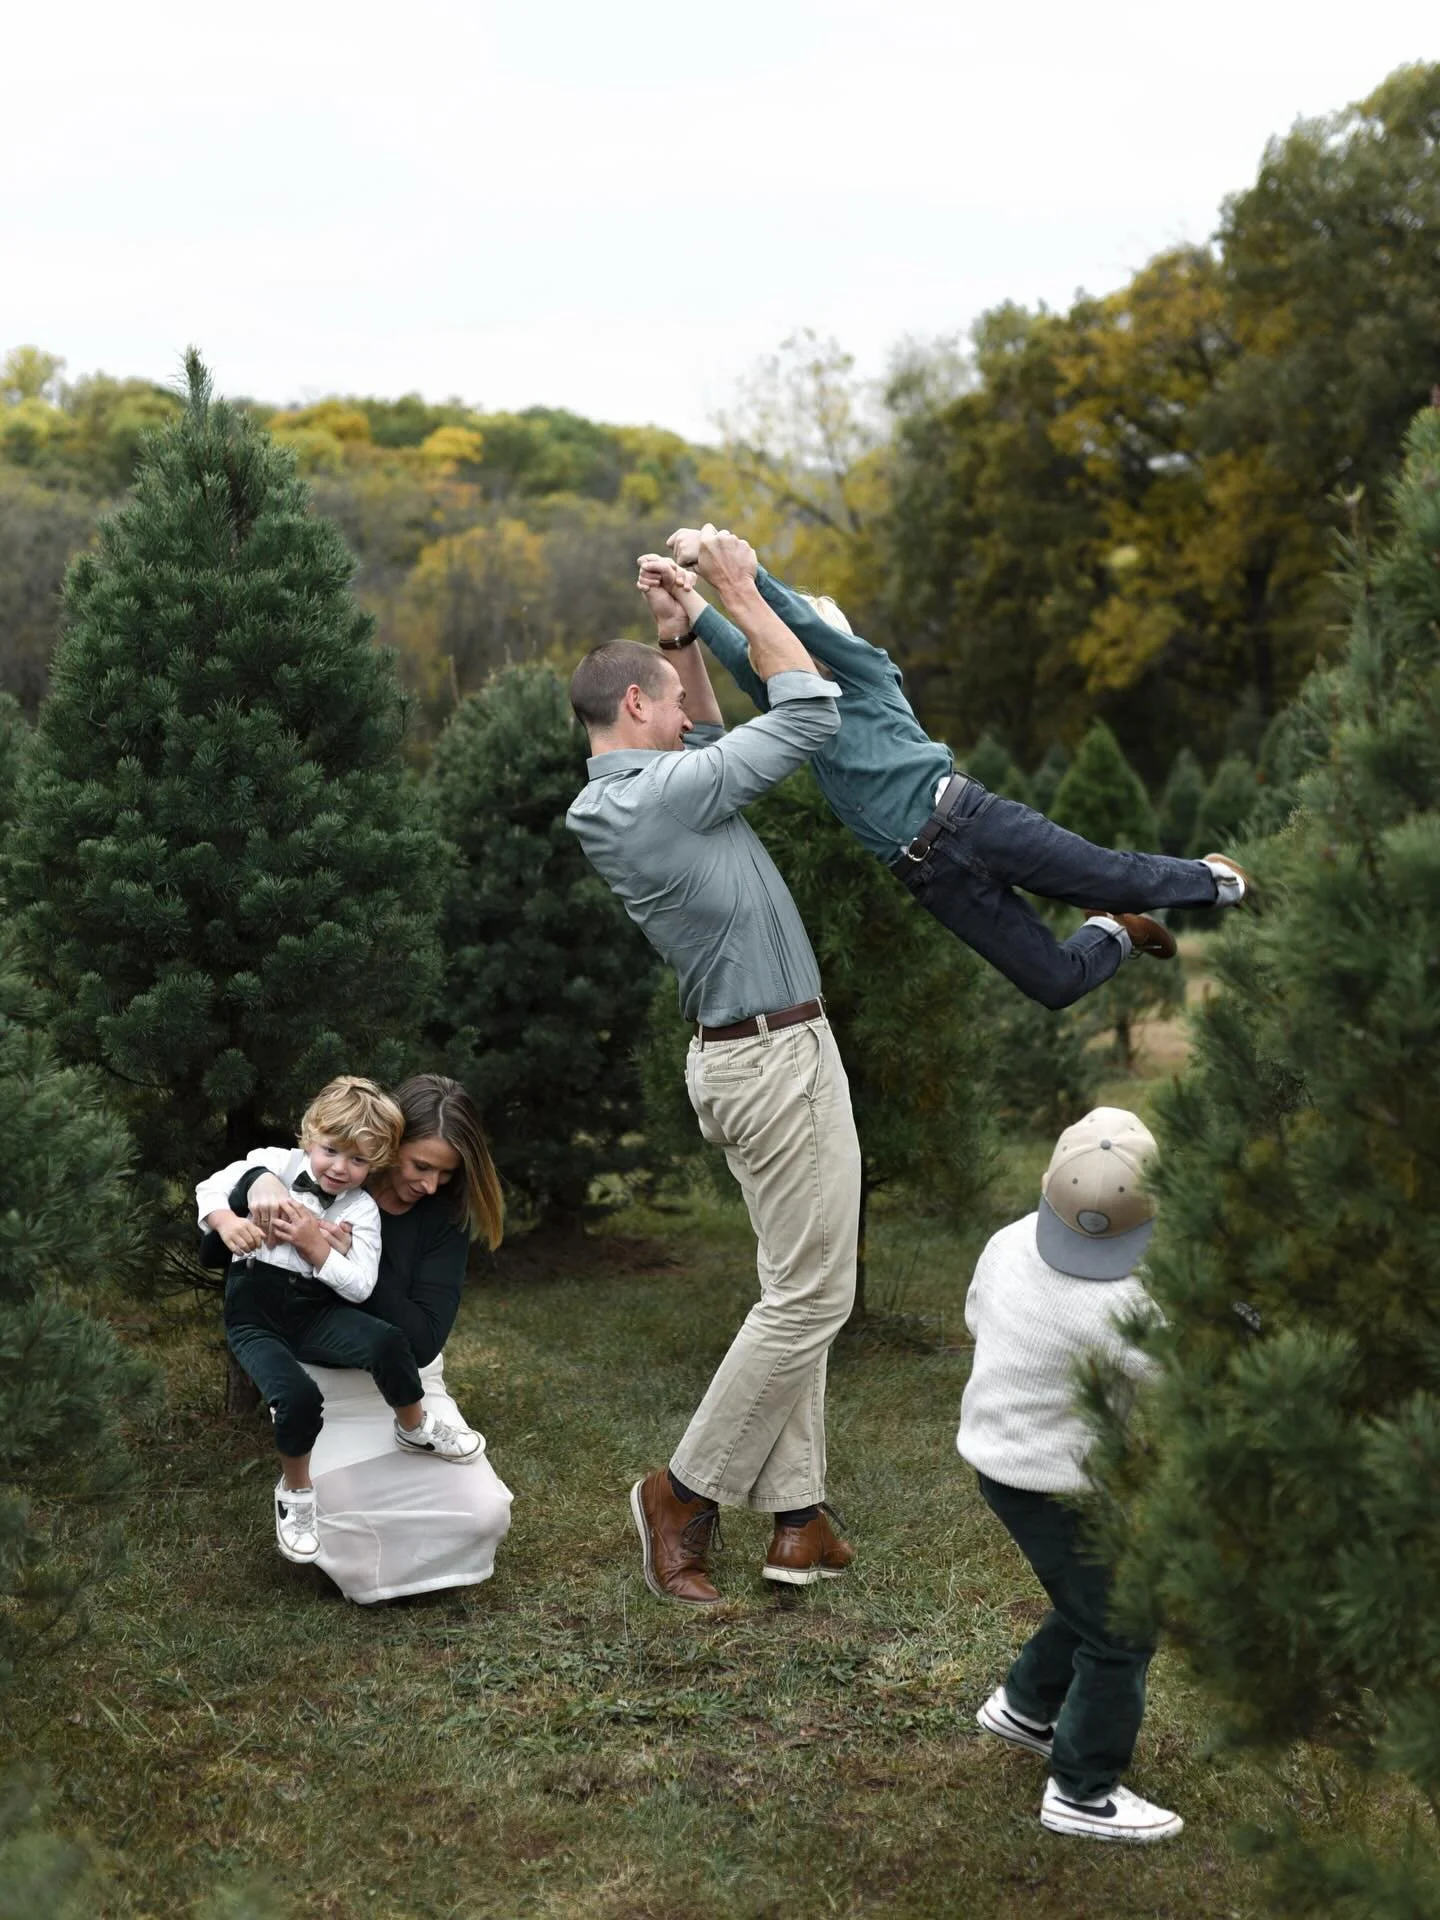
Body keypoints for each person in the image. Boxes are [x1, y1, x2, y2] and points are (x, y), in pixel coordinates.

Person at [566, 524, 862, 1605]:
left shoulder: (637, 791)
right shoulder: (661, 795)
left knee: (796, 1286)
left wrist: (680, 636)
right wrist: (740, 593)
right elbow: (811, 711)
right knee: (811, 1297)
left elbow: (710, 734)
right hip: (773, 1059)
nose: (688, 714)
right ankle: (682, 1493)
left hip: (751, 1055)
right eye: (670, 699)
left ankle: (799, 1519)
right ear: (633, 708)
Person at [637, 541, 1247, 1012]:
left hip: (973, 822)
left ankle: (1218, 881)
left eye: (786, 638)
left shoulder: (868, 673)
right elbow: (738, 648)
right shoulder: (793, 706)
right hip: (930, 877)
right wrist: (684, 594)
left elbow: (795, 623)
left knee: (1113, 877)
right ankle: (1114, 933)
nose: (775, 651)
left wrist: (738, 570)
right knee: (1055, 983)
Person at [960, 1107, 1182, 1843]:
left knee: (1094, 1591)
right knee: (1123, 1625)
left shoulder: (1004, 1244)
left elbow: (976, 1318)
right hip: (1059, 1483)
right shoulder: (1131, 1301)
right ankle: (1083, 1791)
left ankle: (1025, 1707)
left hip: (998, 1459)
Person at [212, 1074, 512, 1604]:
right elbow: (217, 1252)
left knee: (484, 1515)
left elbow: (421, 1341)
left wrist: (335, 1256)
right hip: (325, 1389)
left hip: (406, 1386)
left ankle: (415, 1437)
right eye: (421, 1166)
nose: (431, 1186)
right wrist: (255, 1183)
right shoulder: (312, 1178)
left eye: (446, 1173)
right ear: (388, 1148)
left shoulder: (435, 1219)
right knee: (344, 1533)